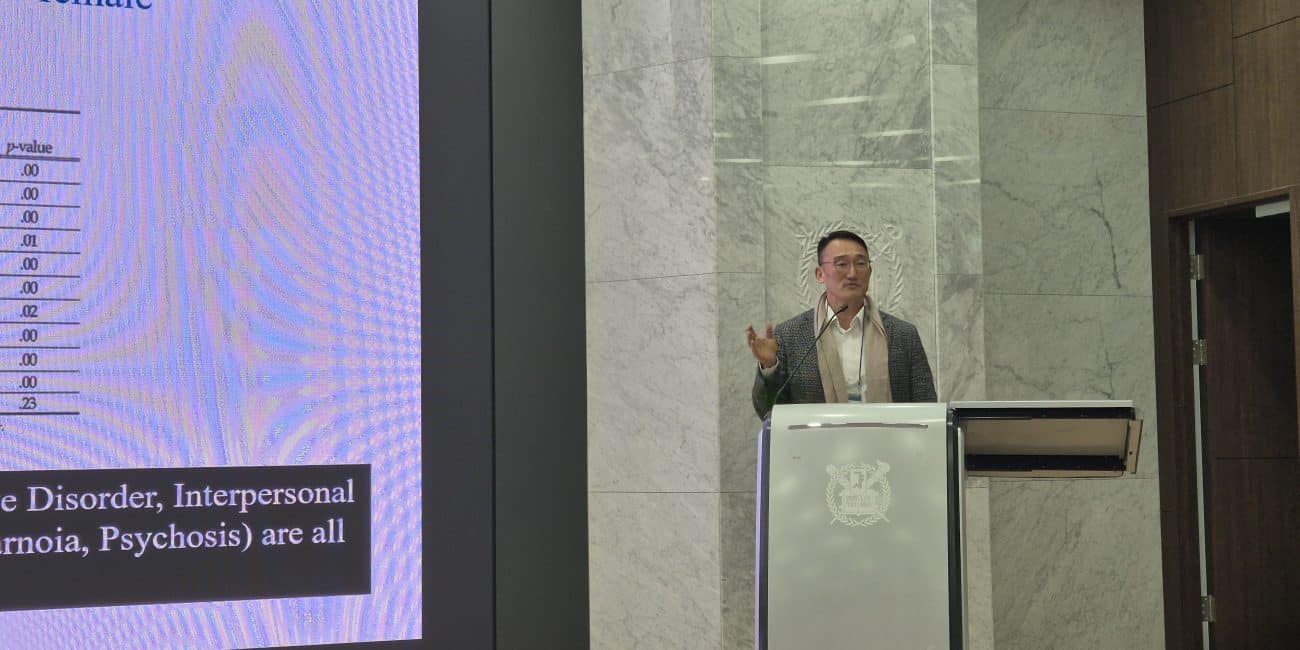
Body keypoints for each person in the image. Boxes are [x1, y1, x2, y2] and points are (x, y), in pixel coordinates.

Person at [748, 230, 936, 419]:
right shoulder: (790, 335)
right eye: (841, 264)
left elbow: (927, 408)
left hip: (889, 438)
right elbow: (767, 412)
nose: (852, 273)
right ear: (820, 274)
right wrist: (769, 367)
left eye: (861, 264)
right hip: (818, 438)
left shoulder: (903, 334)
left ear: (870, 272)